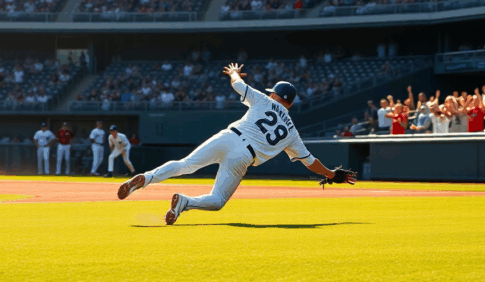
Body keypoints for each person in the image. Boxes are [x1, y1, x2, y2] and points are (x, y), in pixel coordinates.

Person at [117, 63, 354, 225]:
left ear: (275, 96)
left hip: (229, 135)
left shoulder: (263, 99)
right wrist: (331, 174)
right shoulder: (292, 131)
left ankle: (146, 179)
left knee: (184, 164)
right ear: (289, 104)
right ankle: (186, 202)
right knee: (217, 200)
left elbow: (237, 85)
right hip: (244, 156)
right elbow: (310, 162)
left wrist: (234, 72)